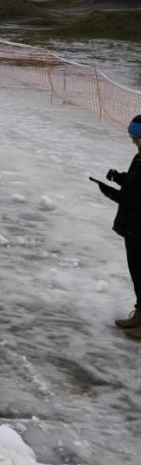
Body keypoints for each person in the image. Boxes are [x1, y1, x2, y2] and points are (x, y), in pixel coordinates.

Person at [95, 115, 141, 337]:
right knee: (137, 274)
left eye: (137, 137)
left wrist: (115, 194)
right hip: (132, 227)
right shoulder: (139, 157)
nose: (133, 141)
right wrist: (118, 178)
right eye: (132, 137)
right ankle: (139, 315)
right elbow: (136, 184)